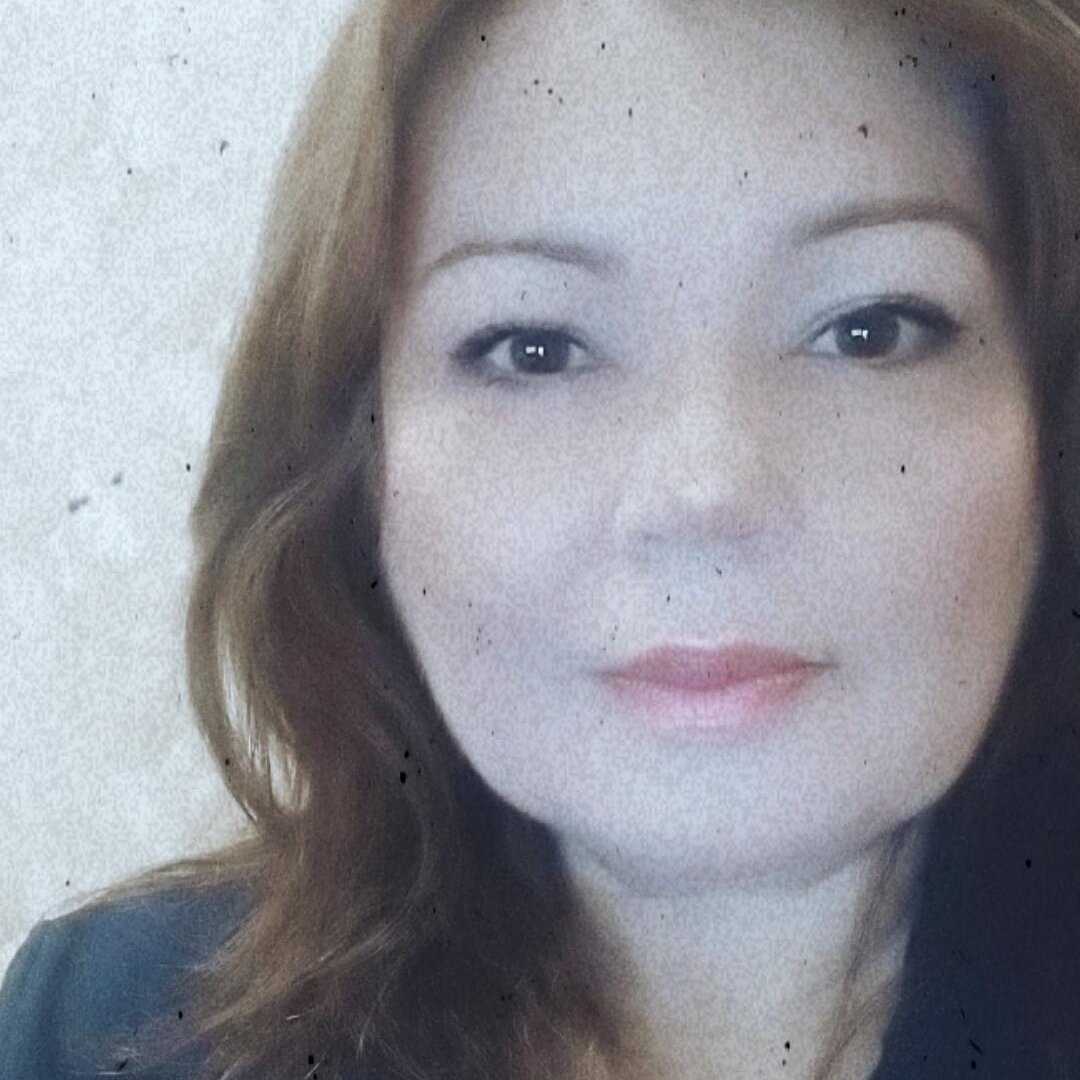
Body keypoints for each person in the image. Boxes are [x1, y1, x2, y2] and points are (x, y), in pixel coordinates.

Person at [4, 0, 1080, 1077]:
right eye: (537, 348)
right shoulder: (98, 1030)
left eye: (869, 331)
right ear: (358, 463)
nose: (703, 493)